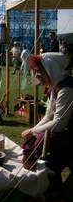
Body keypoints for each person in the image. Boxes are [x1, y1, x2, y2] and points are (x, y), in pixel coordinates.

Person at [21, 53, 73, 192]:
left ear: (51, 69)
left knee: (42, 141)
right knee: (33, 140)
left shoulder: (66, 89)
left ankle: (50, 185)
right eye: (35, 72)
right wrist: (32, 131)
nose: (37, 76)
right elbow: (49, 115)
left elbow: (59, 123)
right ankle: (46, 183)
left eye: (39, 72)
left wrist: (33, 132)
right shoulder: (54, 87)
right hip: (64, 135)